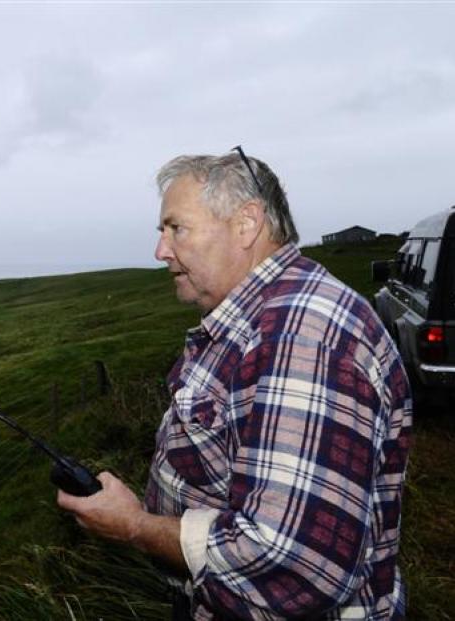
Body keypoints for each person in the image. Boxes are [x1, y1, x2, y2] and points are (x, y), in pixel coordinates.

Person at [57, 150, 412, 620]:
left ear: (246, 224)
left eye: (175, 228)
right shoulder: (263, 320)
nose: (160, 251)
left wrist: (135, 527)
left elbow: (291, 566)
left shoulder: (300, 336)